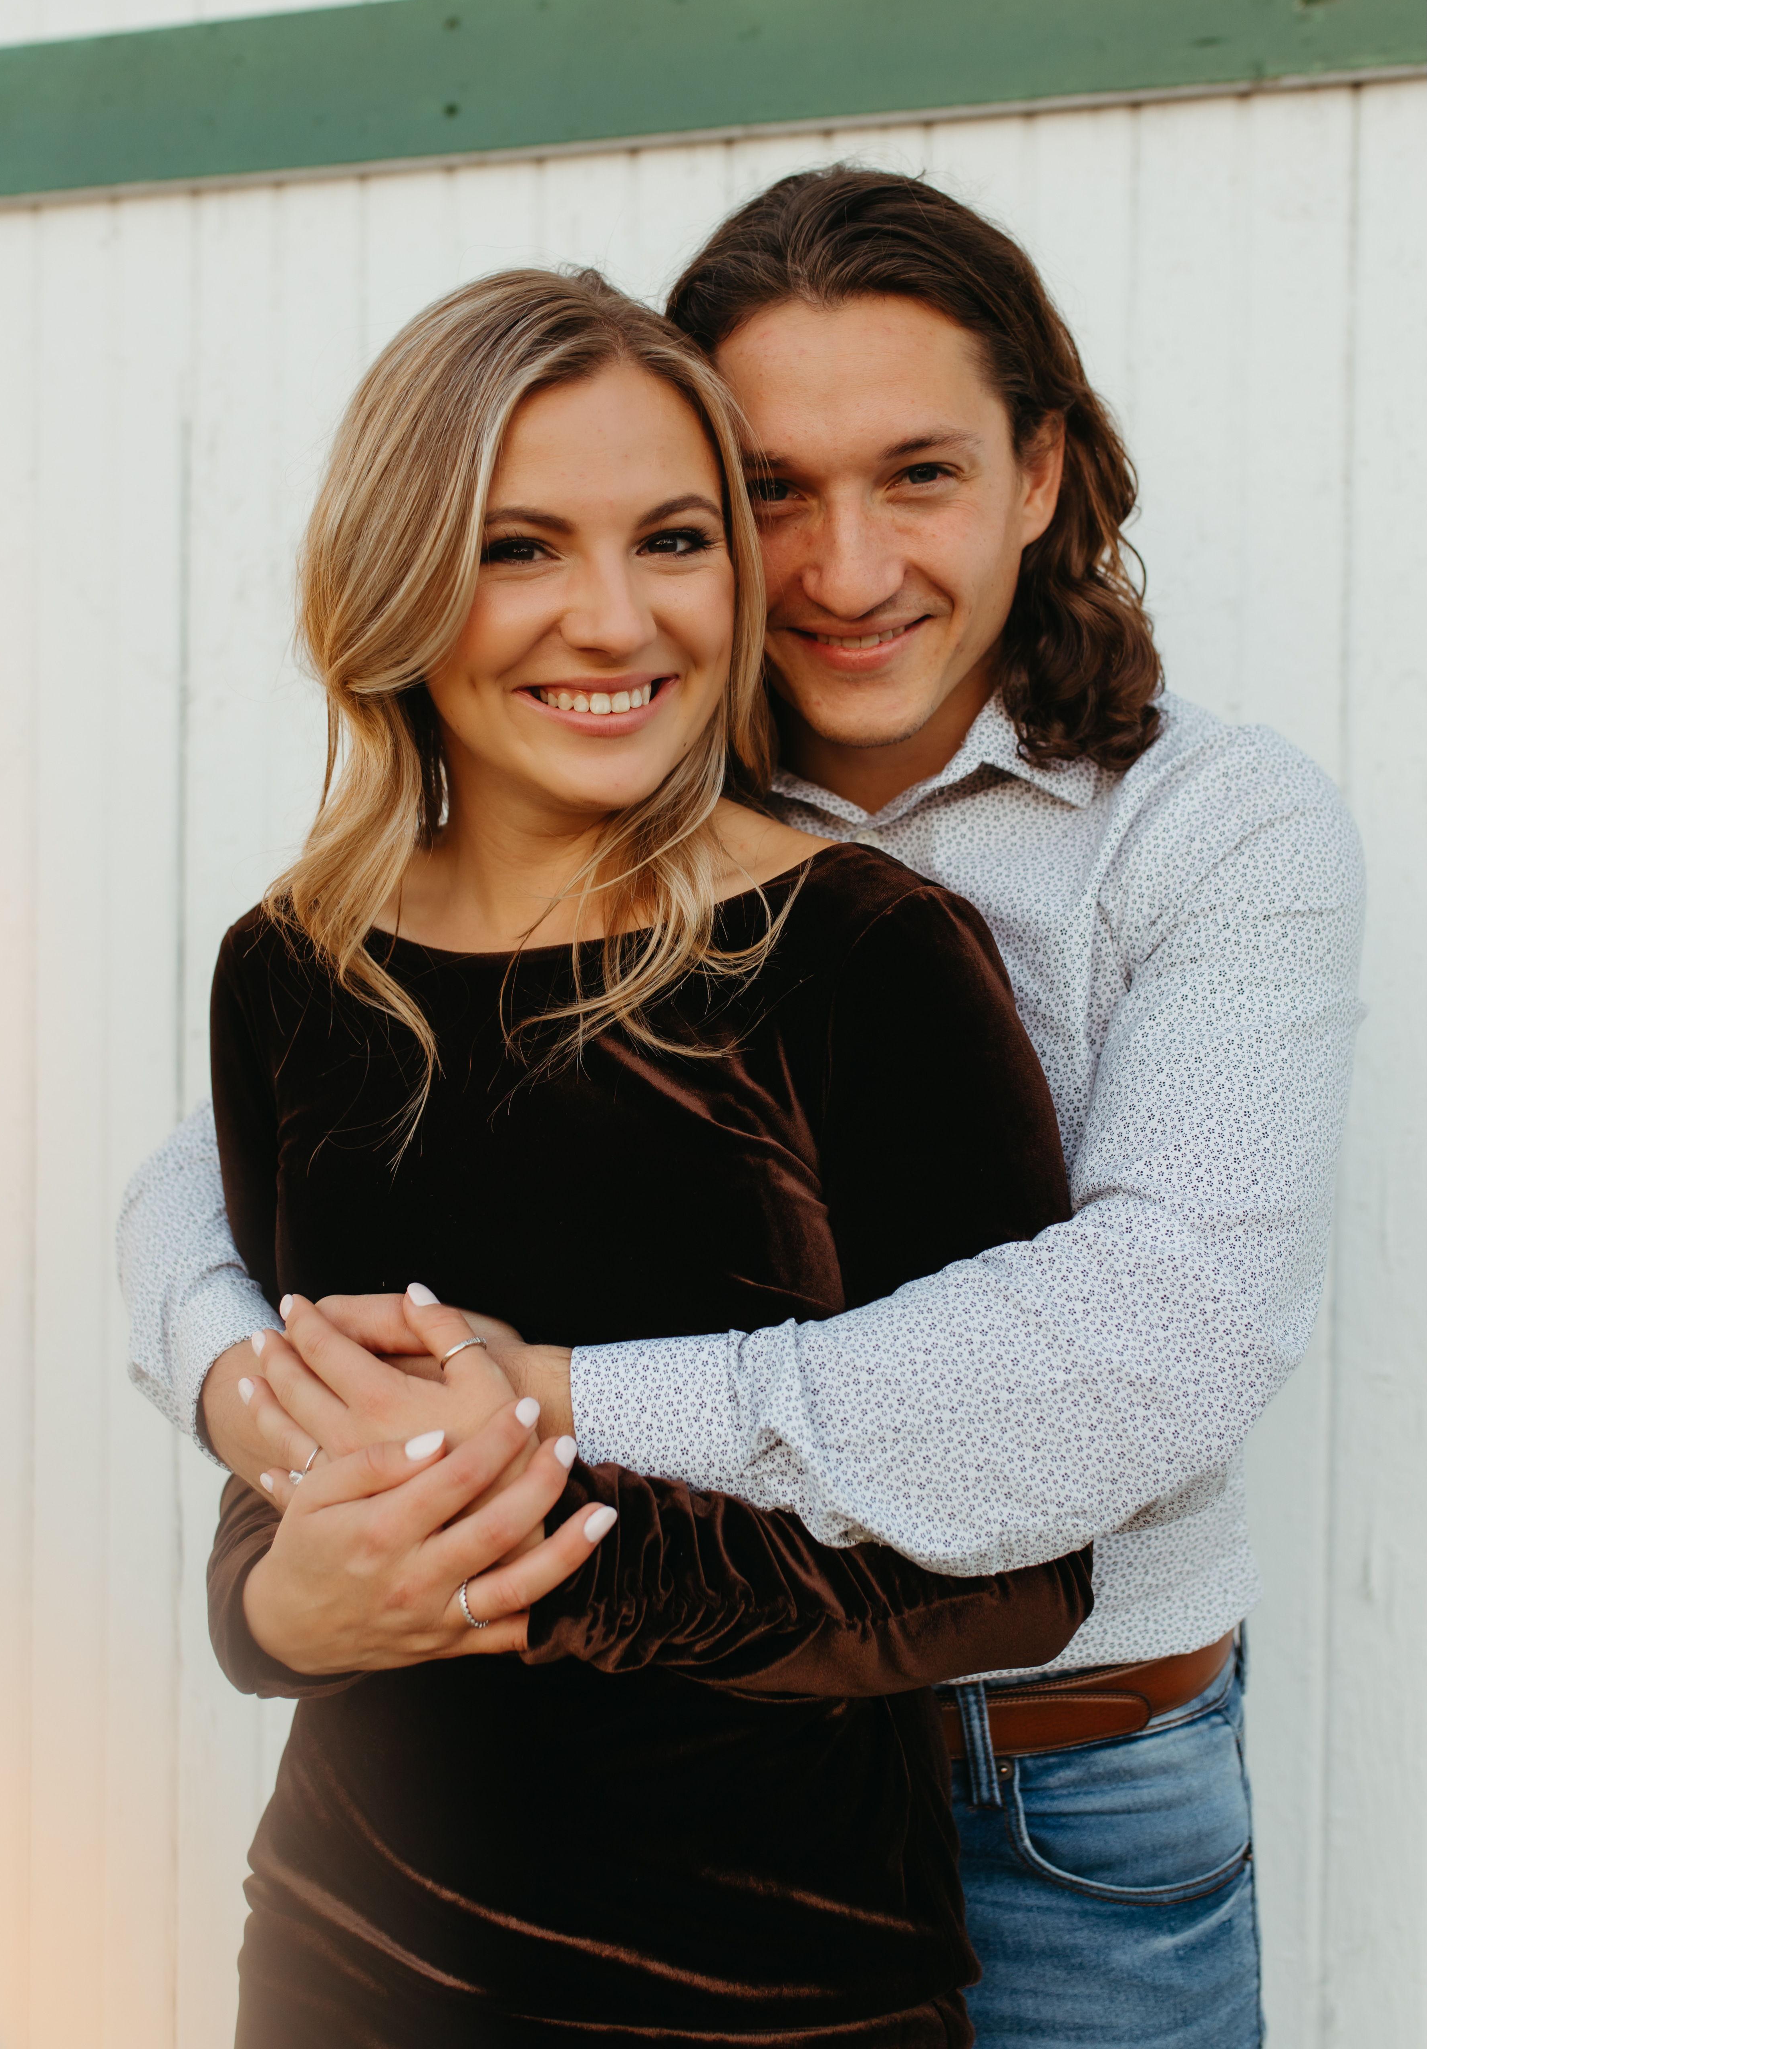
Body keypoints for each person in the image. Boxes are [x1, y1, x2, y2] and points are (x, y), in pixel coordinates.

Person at [125, 169, 1365, 2047]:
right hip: (516, 1848)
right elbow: (222, 1191)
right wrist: (260, 1410)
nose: (847, 575)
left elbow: (1154, 1336)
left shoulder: (1203, 832)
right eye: (774, 495)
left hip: (1061, 1777)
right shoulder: (599, 757)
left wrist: (534, 1410)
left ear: (1041, 472)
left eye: (920, 476)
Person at [194, 262, 1097, 2046]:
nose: (613, 622)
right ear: (398, 576)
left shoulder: (865, 955)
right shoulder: (295, 967)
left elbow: (1023, 1562)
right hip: (346, 1964)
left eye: (674, 541)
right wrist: (275, 1610)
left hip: (771, 1997)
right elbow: (301, 1425)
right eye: (520, 548)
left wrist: (515, 1561)